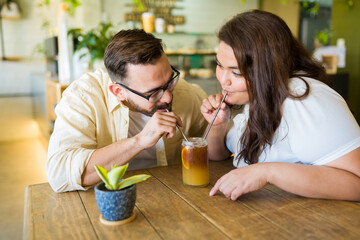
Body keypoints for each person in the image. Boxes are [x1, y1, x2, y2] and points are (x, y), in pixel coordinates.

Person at [201, 10, 360, 201]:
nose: (223, 80)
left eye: (236, 73)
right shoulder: (258, 97)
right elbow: (218, 155)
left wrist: (267, 172)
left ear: (266, 69)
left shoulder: (303, 100)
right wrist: (217, 127)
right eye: (219, 65)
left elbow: (357, 183)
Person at [46, 29, 207, 192]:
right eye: (154, 92)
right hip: (109, 205)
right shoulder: (84, 97)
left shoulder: (183, 93)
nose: (167, 97)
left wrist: (219, 121)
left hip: (175, 195)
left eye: (170, 81)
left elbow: (218, 137)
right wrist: (139, 141)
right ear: (118, 92)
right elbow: (60, 175)